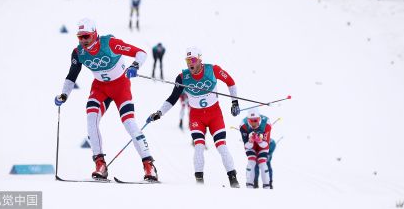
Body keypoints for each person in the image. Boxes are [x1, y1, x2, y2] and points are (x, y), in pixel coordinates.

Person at [54, 18, 158, 181]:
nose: (83, 41)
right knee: (91, 120)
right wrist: (64, 94)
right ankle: (100, 164)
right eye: (80, 37)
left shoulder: (110, 43)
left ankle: (149, 166)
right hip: (100, 88)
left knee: (130, 124)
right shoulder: (78, 53)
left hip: (121, 87)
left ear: (95, 34)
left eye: (86, 36)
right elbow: (72, 75)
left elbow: (141, 53)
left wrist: (135, 66)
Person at [147, 47, 241, 188]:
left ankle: (233, 179)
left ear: (200, 60)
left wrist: (235, 102)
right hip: (196, 117)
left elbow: (231, 82)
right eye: (187, 60)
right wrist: (159, 112)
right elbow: (173, 98)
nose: (190, 63)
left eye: (193, 60)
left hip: (214, 114)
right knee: (199, 146)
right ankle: (199, 182)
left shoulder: (213, 70)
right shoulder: (182, 77)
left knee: (221, 146)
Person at [239, 109, 272, 189]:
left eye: (255, 120)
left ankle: (267, 186)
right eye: (251, 121)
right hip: (251, 145)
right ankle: (249, 185)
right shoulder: (243, 125)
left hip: (262, 145)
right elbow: (246, 145)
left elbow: (265, 145)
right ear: (248, 120)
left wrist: (260, 141)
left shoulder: (266, 123)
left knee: (262, 163)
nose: (253, 123)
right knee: (251, 162)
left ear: (259, 119)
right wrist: (250, 141)